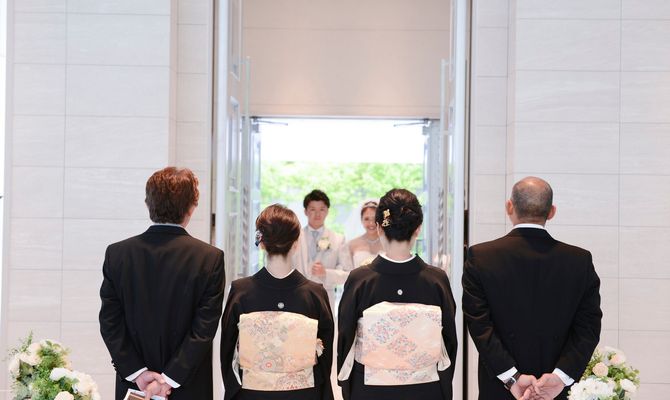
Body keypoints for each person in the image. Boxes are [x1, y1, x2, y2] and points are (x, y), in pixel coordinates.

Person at [462, 176, 602, 400]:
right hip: (556, 391)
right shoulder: (579, 260)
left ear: (509, 207)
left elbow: (480, 326)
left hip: (500, 389)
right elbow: (588, 328)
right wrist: (560, 377)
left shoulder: (481, 257)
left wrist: (512, 377)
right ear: (552, 211)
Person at [99, 167, 225, 400]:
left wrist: (137, 372)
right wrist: (169, 379)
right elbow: (203, 329)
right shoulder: (209, 258)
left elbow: (110, 322)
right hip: (188, 387)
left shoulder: (118, 254)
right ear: (192, 207)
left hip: (136, 388)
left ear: (148, 204)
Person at [337, 188, 457, 400]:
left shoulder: (360, 280)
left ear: (379, 228)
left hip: (370, 388)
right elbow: (449, 340)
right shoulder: (436, 280)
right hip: (426, 387)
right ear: (418, 229)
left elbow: (346, 339)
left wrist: (347, 386)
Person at [220, 204, 334, 400]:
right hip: (304, 394)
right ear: (296, 243)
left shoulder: (241, 291)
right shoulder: (315, 294)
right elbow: (325, 357)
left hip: (251, 394)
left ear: (262, 243)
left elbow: (227, 352)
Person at [293, 189, 347, 311]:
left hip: (325, 298)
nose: (317, 214)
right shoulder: (294, 238)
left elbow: (346, 274)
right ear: (305, 211)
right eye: (313, 209)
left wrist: (326, 273)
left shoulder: (338, 239)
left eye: (322, 209)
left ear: (327, 211)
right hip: (298, 297)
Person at [340, 200, 383, 270]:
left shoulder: (389, 243)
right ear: (361, 220)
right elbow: (347, 272)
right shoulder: (351, 244)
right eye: (366, 219)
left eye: (375, 218)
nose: (371, 223)